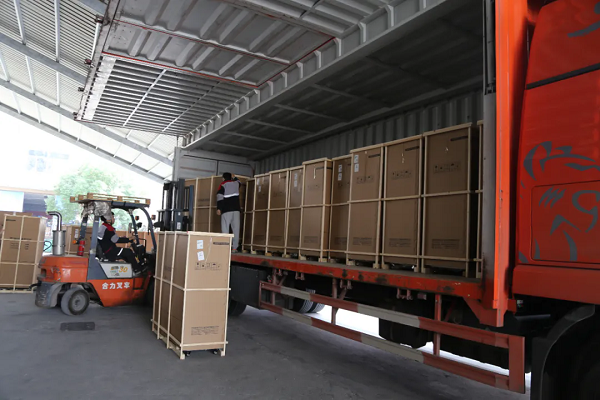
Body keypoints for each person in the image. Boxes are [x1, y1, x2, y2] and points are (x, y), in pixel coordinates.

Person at [216, 172, 241, 252]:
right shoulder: (236, 184)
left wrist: (219, 208)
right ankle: (235, 247)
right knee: (236, 229)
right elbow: (239, 182)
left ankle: (226, 247)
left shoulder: (223, 185)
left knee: (225, 228)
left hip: (226, 210)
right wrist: (235, 177)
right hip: (236, 210)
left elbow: (220, 197)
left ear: (223, 178)